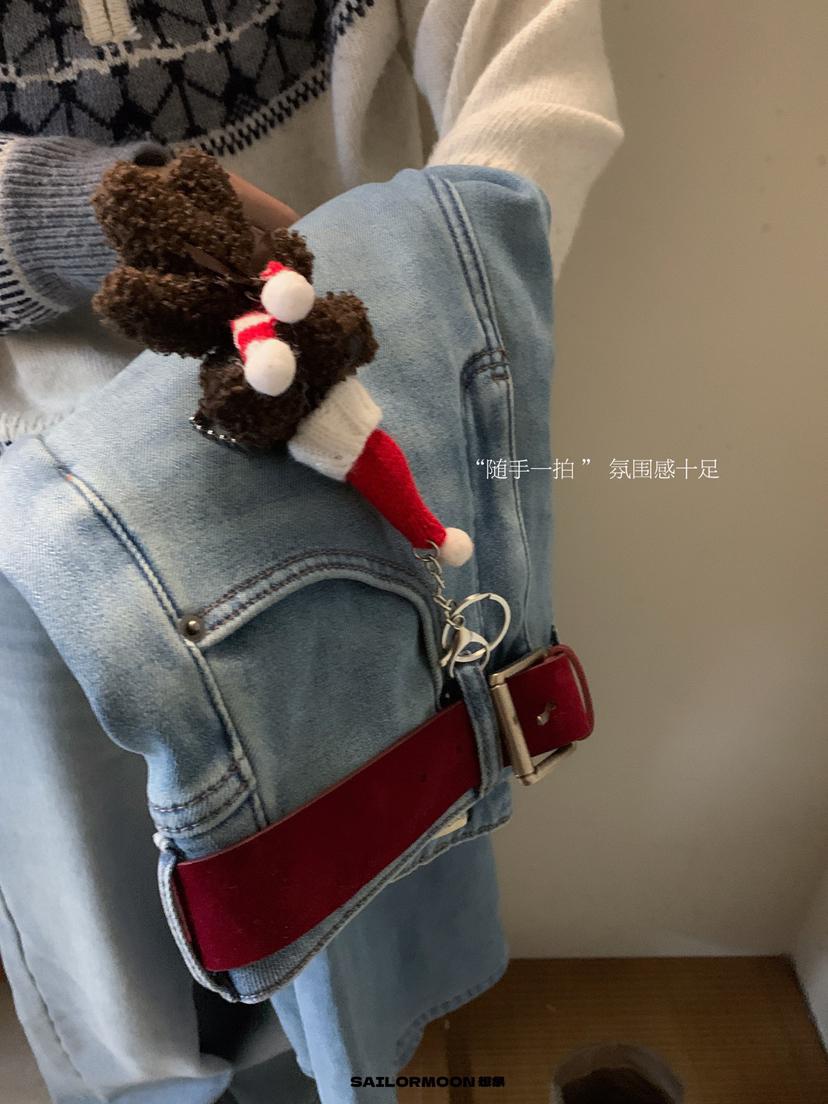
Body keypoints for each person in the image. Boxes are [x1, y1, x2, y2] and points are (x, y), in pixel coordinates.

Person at [0, 3, 625, 1102]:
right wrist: (44, 209)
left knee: (353, 885)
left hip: (337, 428)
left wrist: (422, 300)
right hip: (35, 508)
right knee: (107, 938)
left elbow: (535, 56)